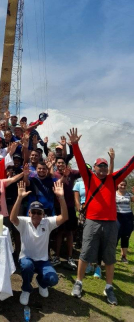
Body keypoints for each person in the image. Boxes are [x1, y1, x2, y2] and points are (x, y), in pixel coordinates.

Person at [68, 128, 134, 305]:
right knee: (85, 253)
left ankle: (109, 287)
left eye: (105, 165)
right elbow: (81, 162)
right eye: (100, 165)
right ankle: (79, 282)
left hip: (111, 223)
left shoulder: (113, 179)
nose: (103, 168)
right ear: (95, 168)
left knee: (110, 256)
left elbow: (129, 166)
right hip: (92, 222)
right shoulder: (89, 178)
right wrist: (75, 144)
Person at [10, 180, 68, 305]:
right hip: (27, 259)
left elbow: (64, 217)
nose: (36, 215)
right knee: (26, 266)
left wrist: (61, 198)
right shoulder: (24, 222)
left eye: (39, 212)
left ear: (43, 214)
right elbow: (12, 218)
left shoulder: (47, 222)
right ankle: (26, 289)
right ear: (29, 212)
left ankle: (41, 283)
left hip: (42, 261)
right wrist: (19, 198)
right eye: (33, 212)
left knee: (53, 279)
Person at [52, 158, 80, 269]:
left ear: (66, 164)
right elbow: (57, 184)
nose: (60, 164)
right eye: (58, 163)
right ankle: (57, 257)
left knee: (69, 233)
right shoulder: (54, 174)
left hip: (70, 207)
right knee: (59, 232)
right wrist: (65, 176)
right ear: (56, 164)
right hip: (58, 207)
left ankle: (70, 257)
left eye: (62, 163)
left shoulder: (72, 173)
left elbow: (84, 170)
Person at [116, 180, 134, 263]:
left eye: (124, 185)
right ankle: (111, 256)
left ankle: (124, 256)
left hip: (128, 217)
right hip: (117, 217)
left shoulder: (129, 195)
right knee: (116, 237)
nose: (123, 187)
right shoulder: (113, 194)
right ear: (118, 185)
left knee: (126, 237)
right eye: (121, 185)